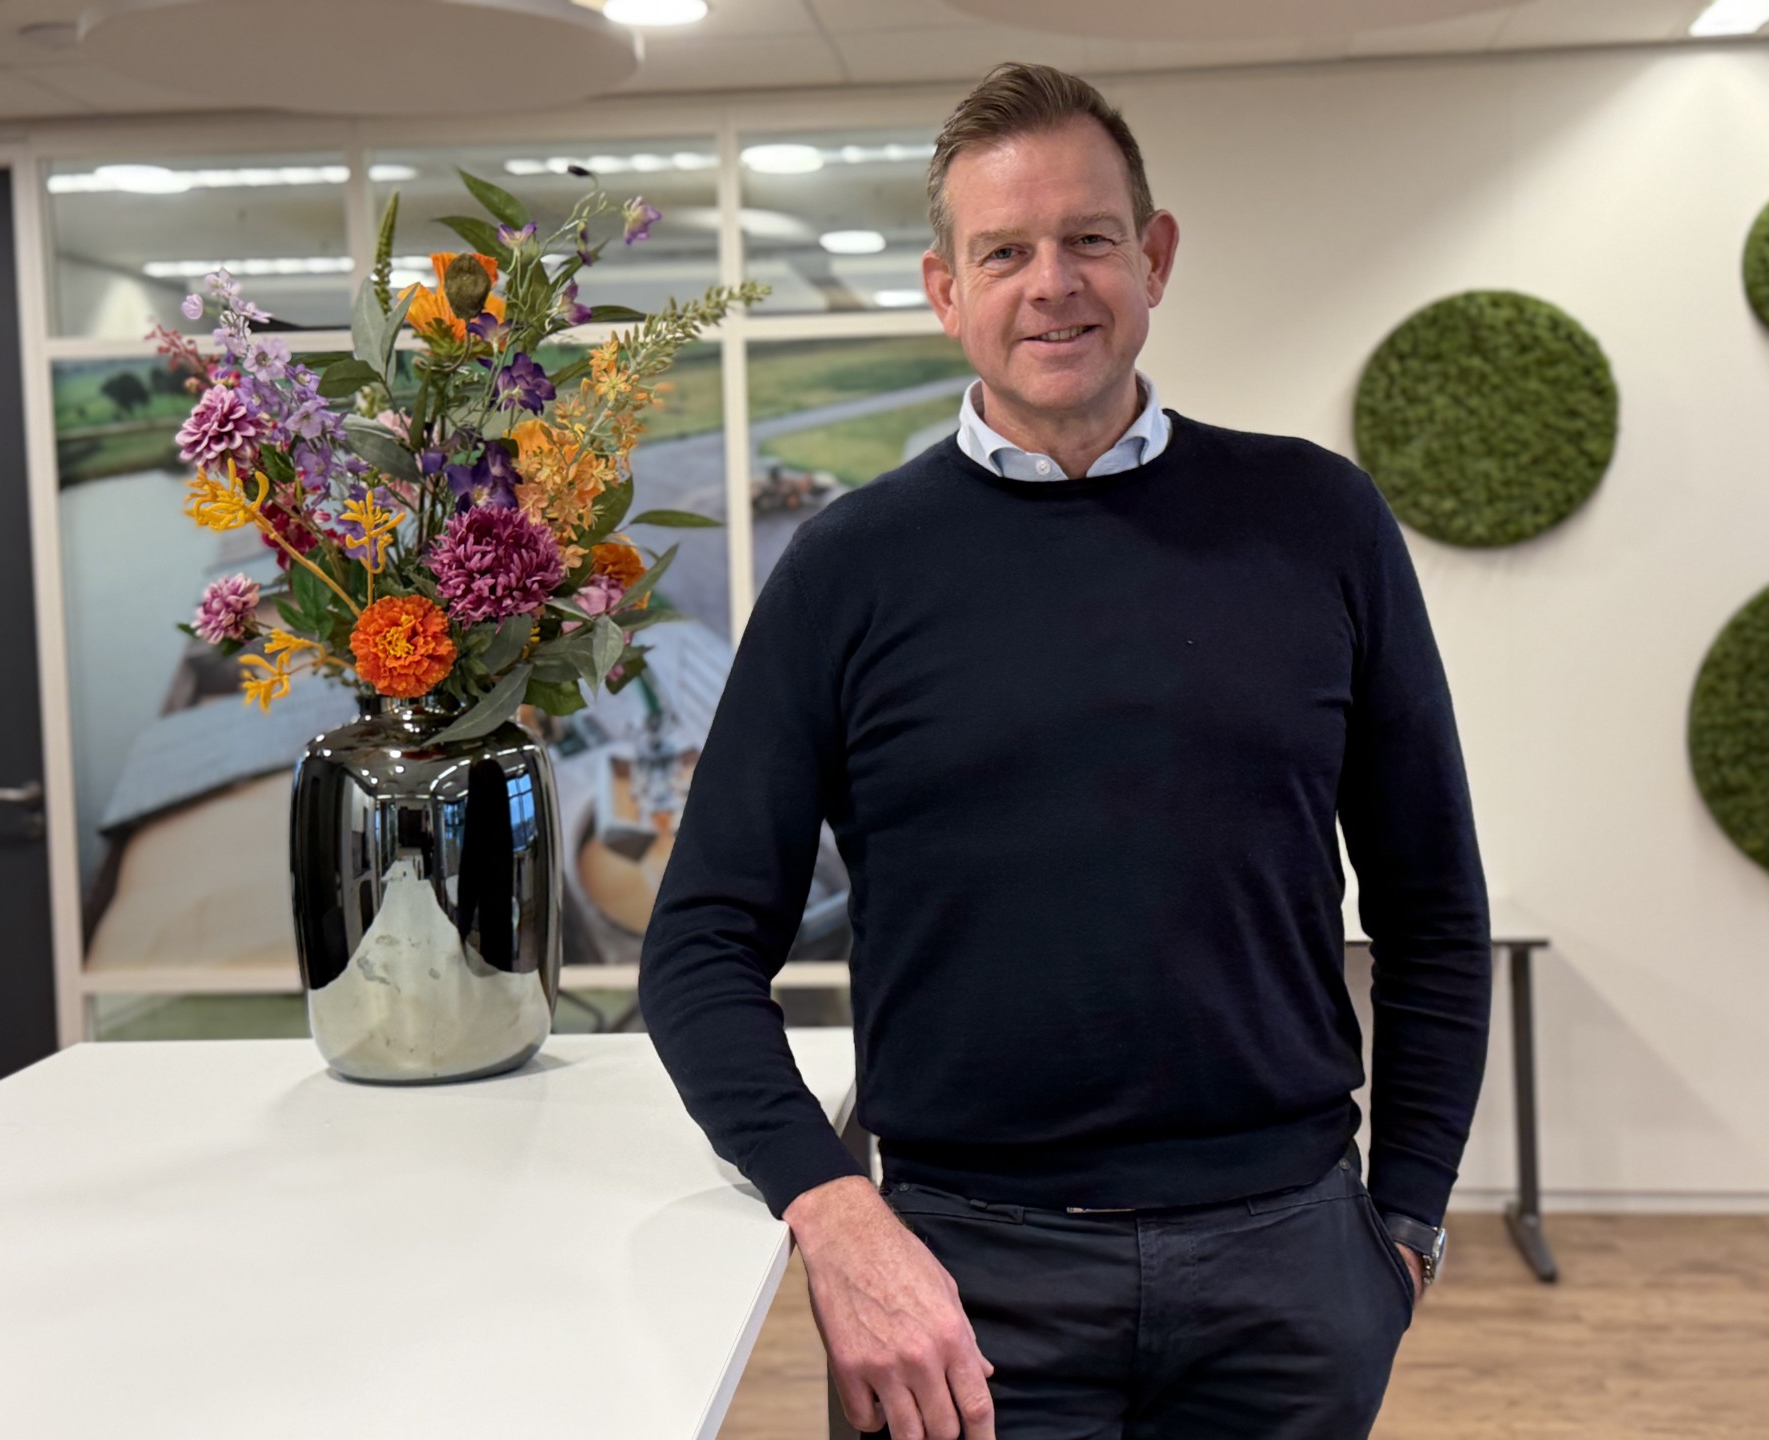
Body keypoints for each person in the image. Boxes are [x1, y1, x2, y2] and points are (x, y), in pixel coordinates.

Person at [639, 61, 1491, 1440]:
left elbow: (1436, 908)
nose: (1055, 282)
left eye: (1090, 238)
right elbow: (697, 945)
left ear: (1152, 259)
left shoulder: (1317, 523)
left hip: (1286, 1265)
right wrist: (831, 1207)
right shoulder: (848, 571)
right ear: (944, 290)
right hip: (962, 1285)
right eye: (1006, 251)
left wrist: (1401, 1227)